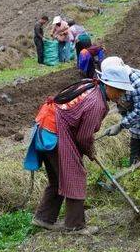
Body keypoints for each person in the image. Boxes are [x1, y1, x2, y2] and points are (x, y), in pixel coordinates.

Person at [24, 78, 109, 235]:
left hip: (45, 125)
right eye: (121, 90)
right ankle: (75, 225)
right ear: (110, 86)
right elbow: (83, 137)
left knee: (57, 178)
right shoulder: (96, 103)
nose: (122, 94)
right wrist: (90, 150)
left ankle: (44, 217)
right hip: (53, 132)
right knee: (75, 175)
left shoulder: (90, 85)